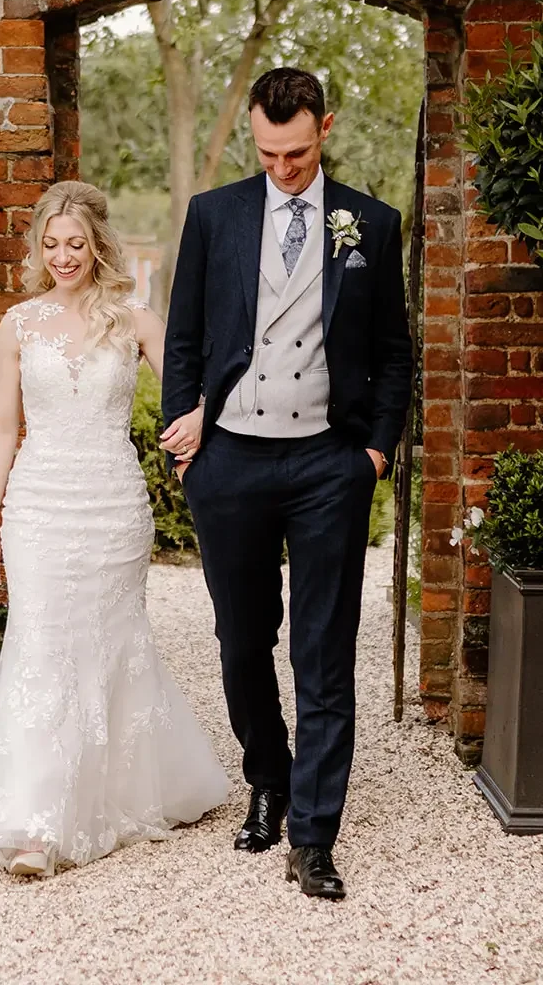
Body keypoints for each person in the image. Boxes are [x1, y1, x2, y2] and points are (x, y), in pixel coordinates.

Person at [160, 67, 413, 901]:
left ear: (325, 128)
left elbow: (391, 352)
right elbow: (186, 336)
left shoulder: (370, 223)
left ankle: (314, 835)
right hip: (230, 459)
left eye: (297, 153)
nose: (282, 168)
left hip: (325, 465)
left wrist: (372, 454)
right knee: (241, 642)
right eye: (268, 154)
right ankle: (267, 776)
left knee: (324, 654)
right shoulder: (214, 215)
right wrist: (184, 443)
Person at [0, 180, 228, 877]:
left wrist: (199, 418)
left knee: (114, 642)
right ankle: (34, 823)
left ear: (97, 245)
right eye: (51, 244)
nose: (63, 255)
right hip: (38, 503)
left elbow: (193, 387)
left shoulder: (134, 319)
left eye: (75, 243)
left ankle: (124, 793)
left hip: (113, 503)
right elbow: (1, 426)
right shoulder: (17, 325)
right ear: (37, 247)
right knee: (42, 642)